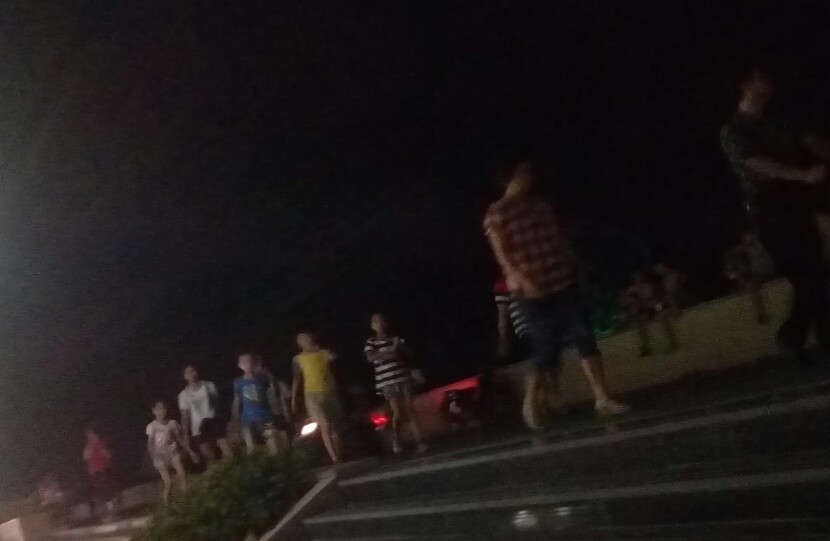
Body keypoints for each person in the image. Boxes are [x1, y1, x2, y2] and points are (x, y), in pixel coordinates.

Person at [483, 155, 629, 431]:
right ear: (512, 177)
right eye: (525, 172)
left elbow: (559, 239)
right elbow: (501, 253)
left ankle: (602, 397)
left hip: (563, 280)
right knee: (546, 348)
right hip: (532, 289)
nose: (531, 177)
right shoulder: (497, 212)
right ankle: (531, 399)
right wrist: (519, 277)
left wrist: (577, 267)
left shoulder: (540, 205)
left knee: (585, 337)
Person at [721, 66, 830, 360]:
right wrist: (801, 175)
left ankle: (809, 341)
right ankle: (792, 337)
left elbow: (812, 142)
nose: (768, 83)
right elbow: (755, 163)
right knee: (806, 276)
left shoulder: (778, 122)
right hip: (769, 212)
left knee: (816, 274)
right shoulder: (734, 130)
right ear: (744, 85)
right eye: (761, 78)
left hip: (798, 206)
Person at [364, 313, 427, 454]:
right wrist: (390, 350)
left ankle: (420, 441)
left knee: (410, 408)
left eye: (382, 320)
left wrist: (399, 346)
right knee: (397, 411)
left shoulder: (395, 339)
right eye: (376, 321)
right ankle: (396, 440)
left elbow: (410, 354)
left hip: (402, 376)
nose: (380, 323)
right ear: (372, 326)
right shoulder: (371, 342)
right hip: (387, 381)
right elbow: (370, 358)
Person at [292, 332, 340, 464]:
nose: (305, 340)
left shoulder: (322, 353)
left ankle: (338, 454)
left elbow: (334, 357)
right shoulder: (298, 358)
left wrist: (320, 349)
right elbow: (297, 378)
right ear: (298, 343)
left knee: (333, 426)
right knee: (324, 425)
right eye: (301, 339)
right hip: (311, 394)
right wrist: (294, 397)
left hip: (329, 392)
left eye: (307, 337)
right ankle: (334, 457)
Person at [178, 365, 232, 467]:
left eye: (192, 370)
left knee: (226, 449)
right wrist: (185, 436)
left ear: (197, 371)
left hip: (213, 421)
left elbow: (217, 404)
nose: (191, 374)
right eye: (187, 373)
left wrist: (224, 420)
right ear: (185, 376)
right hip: (198, 426)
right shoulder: (183, 395)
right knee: (209, 457)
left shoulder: (209, 385)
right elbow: (185, 416)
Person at [146, 401, 198, 505]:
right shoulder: (152, 427)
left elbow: (179, 439)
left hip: (173, 453)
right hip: (160, 457)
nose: (162, 411)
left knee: (183, 477)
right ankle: (167, 505)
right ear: (154, 411)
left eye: (163, 409)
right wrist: (154, 458)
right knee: (168, 483)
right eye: (158, 409)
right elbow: (150, 445)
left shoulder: (172, 423)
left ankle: (187, 502)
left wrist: (190, 451)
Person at [621, 270, 679, 357]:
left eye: (639, 275)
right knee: (640, 325)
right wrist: (638, 310)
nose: (638, 278)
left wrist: (660, 308)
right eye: (636, 276)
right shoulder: (633, 290)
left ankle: (673, 342)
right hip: (645, 310)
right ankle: (646, 346)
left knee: (664, 319)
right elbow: (632, 303)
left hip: (654, 308)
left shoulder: (650, 286)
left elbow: (658, 300)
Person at [232, 353, 280, 456]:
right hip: (247, 419)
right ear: (239, 365)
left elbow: (274, 389)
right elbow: (237, 401)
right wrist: (235, 418)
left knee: (273, 444)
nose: (248, 364)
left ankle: (277, 462)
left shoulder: (263, 378)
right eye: (244, 362)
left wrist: (265, 372)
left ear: (255, 363)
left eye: (250, 361)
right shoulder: (238, 382)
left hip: (265, 417)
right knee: (251, 448)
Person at [724, 231, 773, 324]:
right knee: (751, 287)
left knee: (753, 288)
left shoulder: (755, 245)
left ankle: (762, 314)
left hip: (761, 271)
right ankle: (761, 314)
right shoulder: (747, 248)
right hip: (757, 272)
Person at [82, 428, 117, 522]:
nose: (90, 437)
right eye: (88, 435)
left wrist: (101, 449)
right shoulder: (88, 445)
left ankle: (112, 511)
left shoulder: (101, 443)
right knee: (99, 493)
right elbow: (85, 457)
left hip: (102, 470)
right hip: (94, 472)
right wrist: (90, 447)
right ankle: (105, 512)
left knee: (105, 491)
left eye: (91, 434)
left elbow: (108, 455)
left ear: (96, 435)